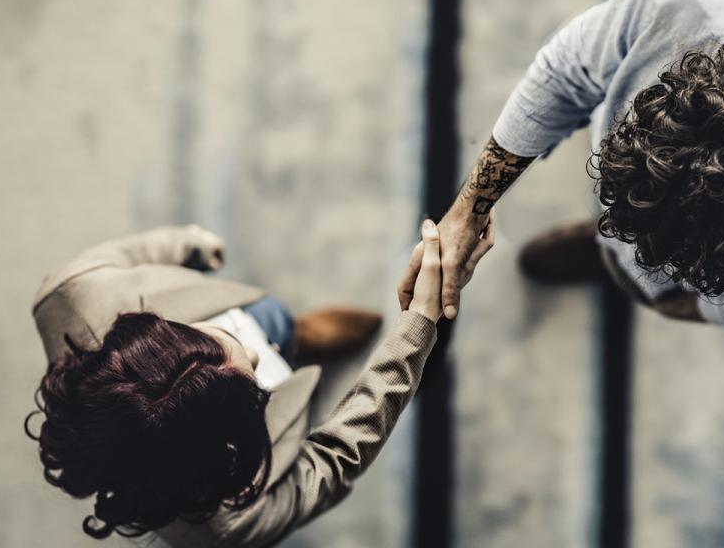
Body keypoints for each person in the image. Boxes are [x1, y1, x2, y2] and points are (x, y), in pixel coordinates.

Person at [427, 0, 724, 332]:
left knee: (638, 272)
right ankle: (611, 252)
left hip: (693, 269)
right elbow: (565, 74)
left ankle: (615, 263)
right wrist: (469, 210)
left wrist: (667, 303)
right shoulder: (689, 2)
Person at [26, 220, 494, 546]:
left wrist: (186, 243)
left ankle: (299, 334)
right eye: (252, 387)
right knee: (268, 342)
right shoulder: (229, 526)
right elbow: (332, 460)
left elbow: (121, 256)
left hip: (234, 332)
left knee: (271, 321)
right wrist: (418, 326)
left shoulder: (72, 291)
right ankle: (295, 341)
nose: (253, 351)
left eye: (222, 338)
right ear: (217, 455)